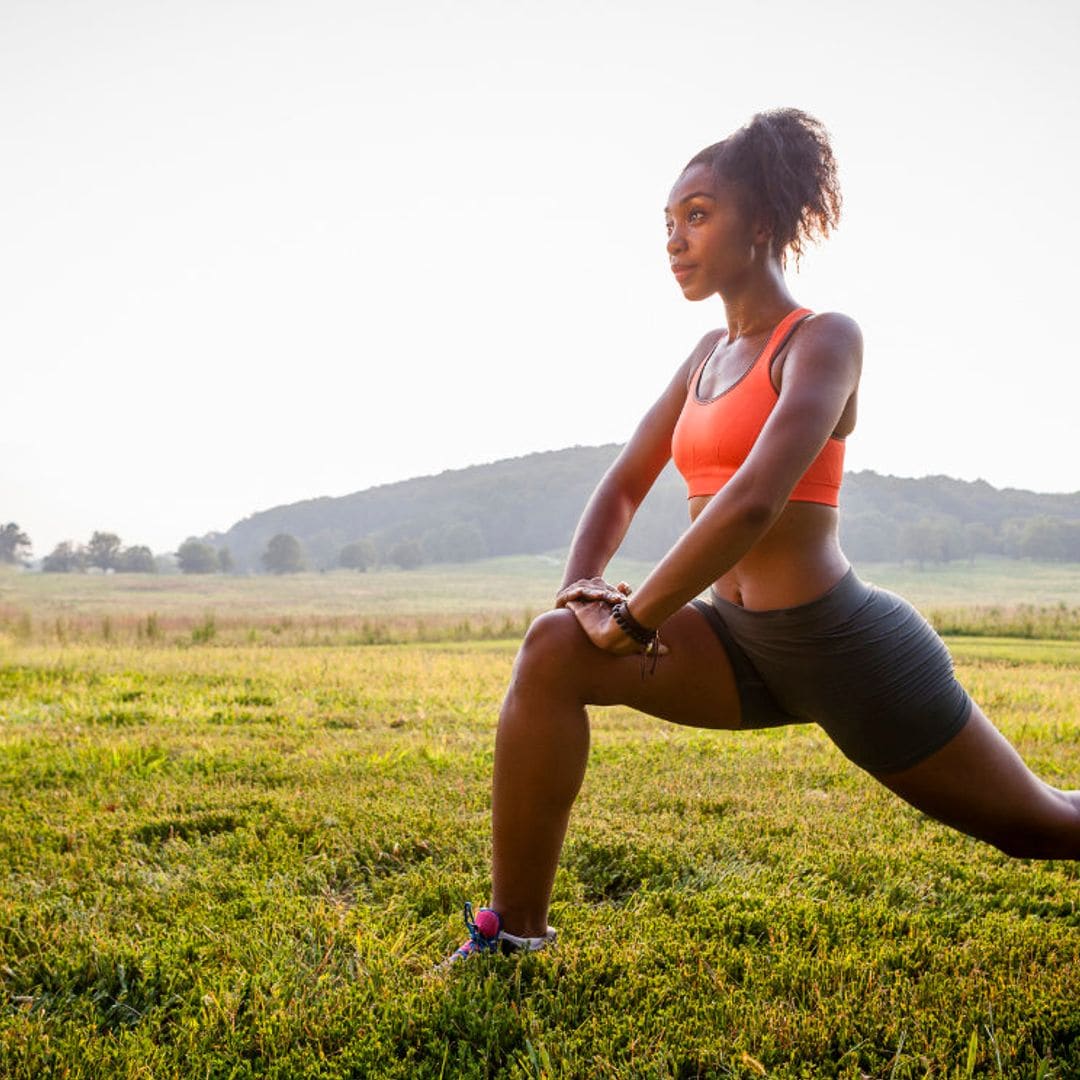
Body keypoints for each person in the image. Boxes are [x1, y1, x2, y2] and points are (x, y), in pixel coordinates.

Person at [445, 108, 1080, 964]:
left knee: (1039, 826)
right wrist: (584, 590)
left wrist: (634, 622)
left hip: (845, 647)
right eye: (667, 223)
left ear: (765, 224)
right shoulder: (706, 356)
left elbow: (751, 502)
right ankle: (513, 934)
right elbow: (625, 479)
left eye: (698, 215)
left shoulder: (822, 341)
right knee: (554, 647)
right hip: (738, 646)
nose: (675, 239)